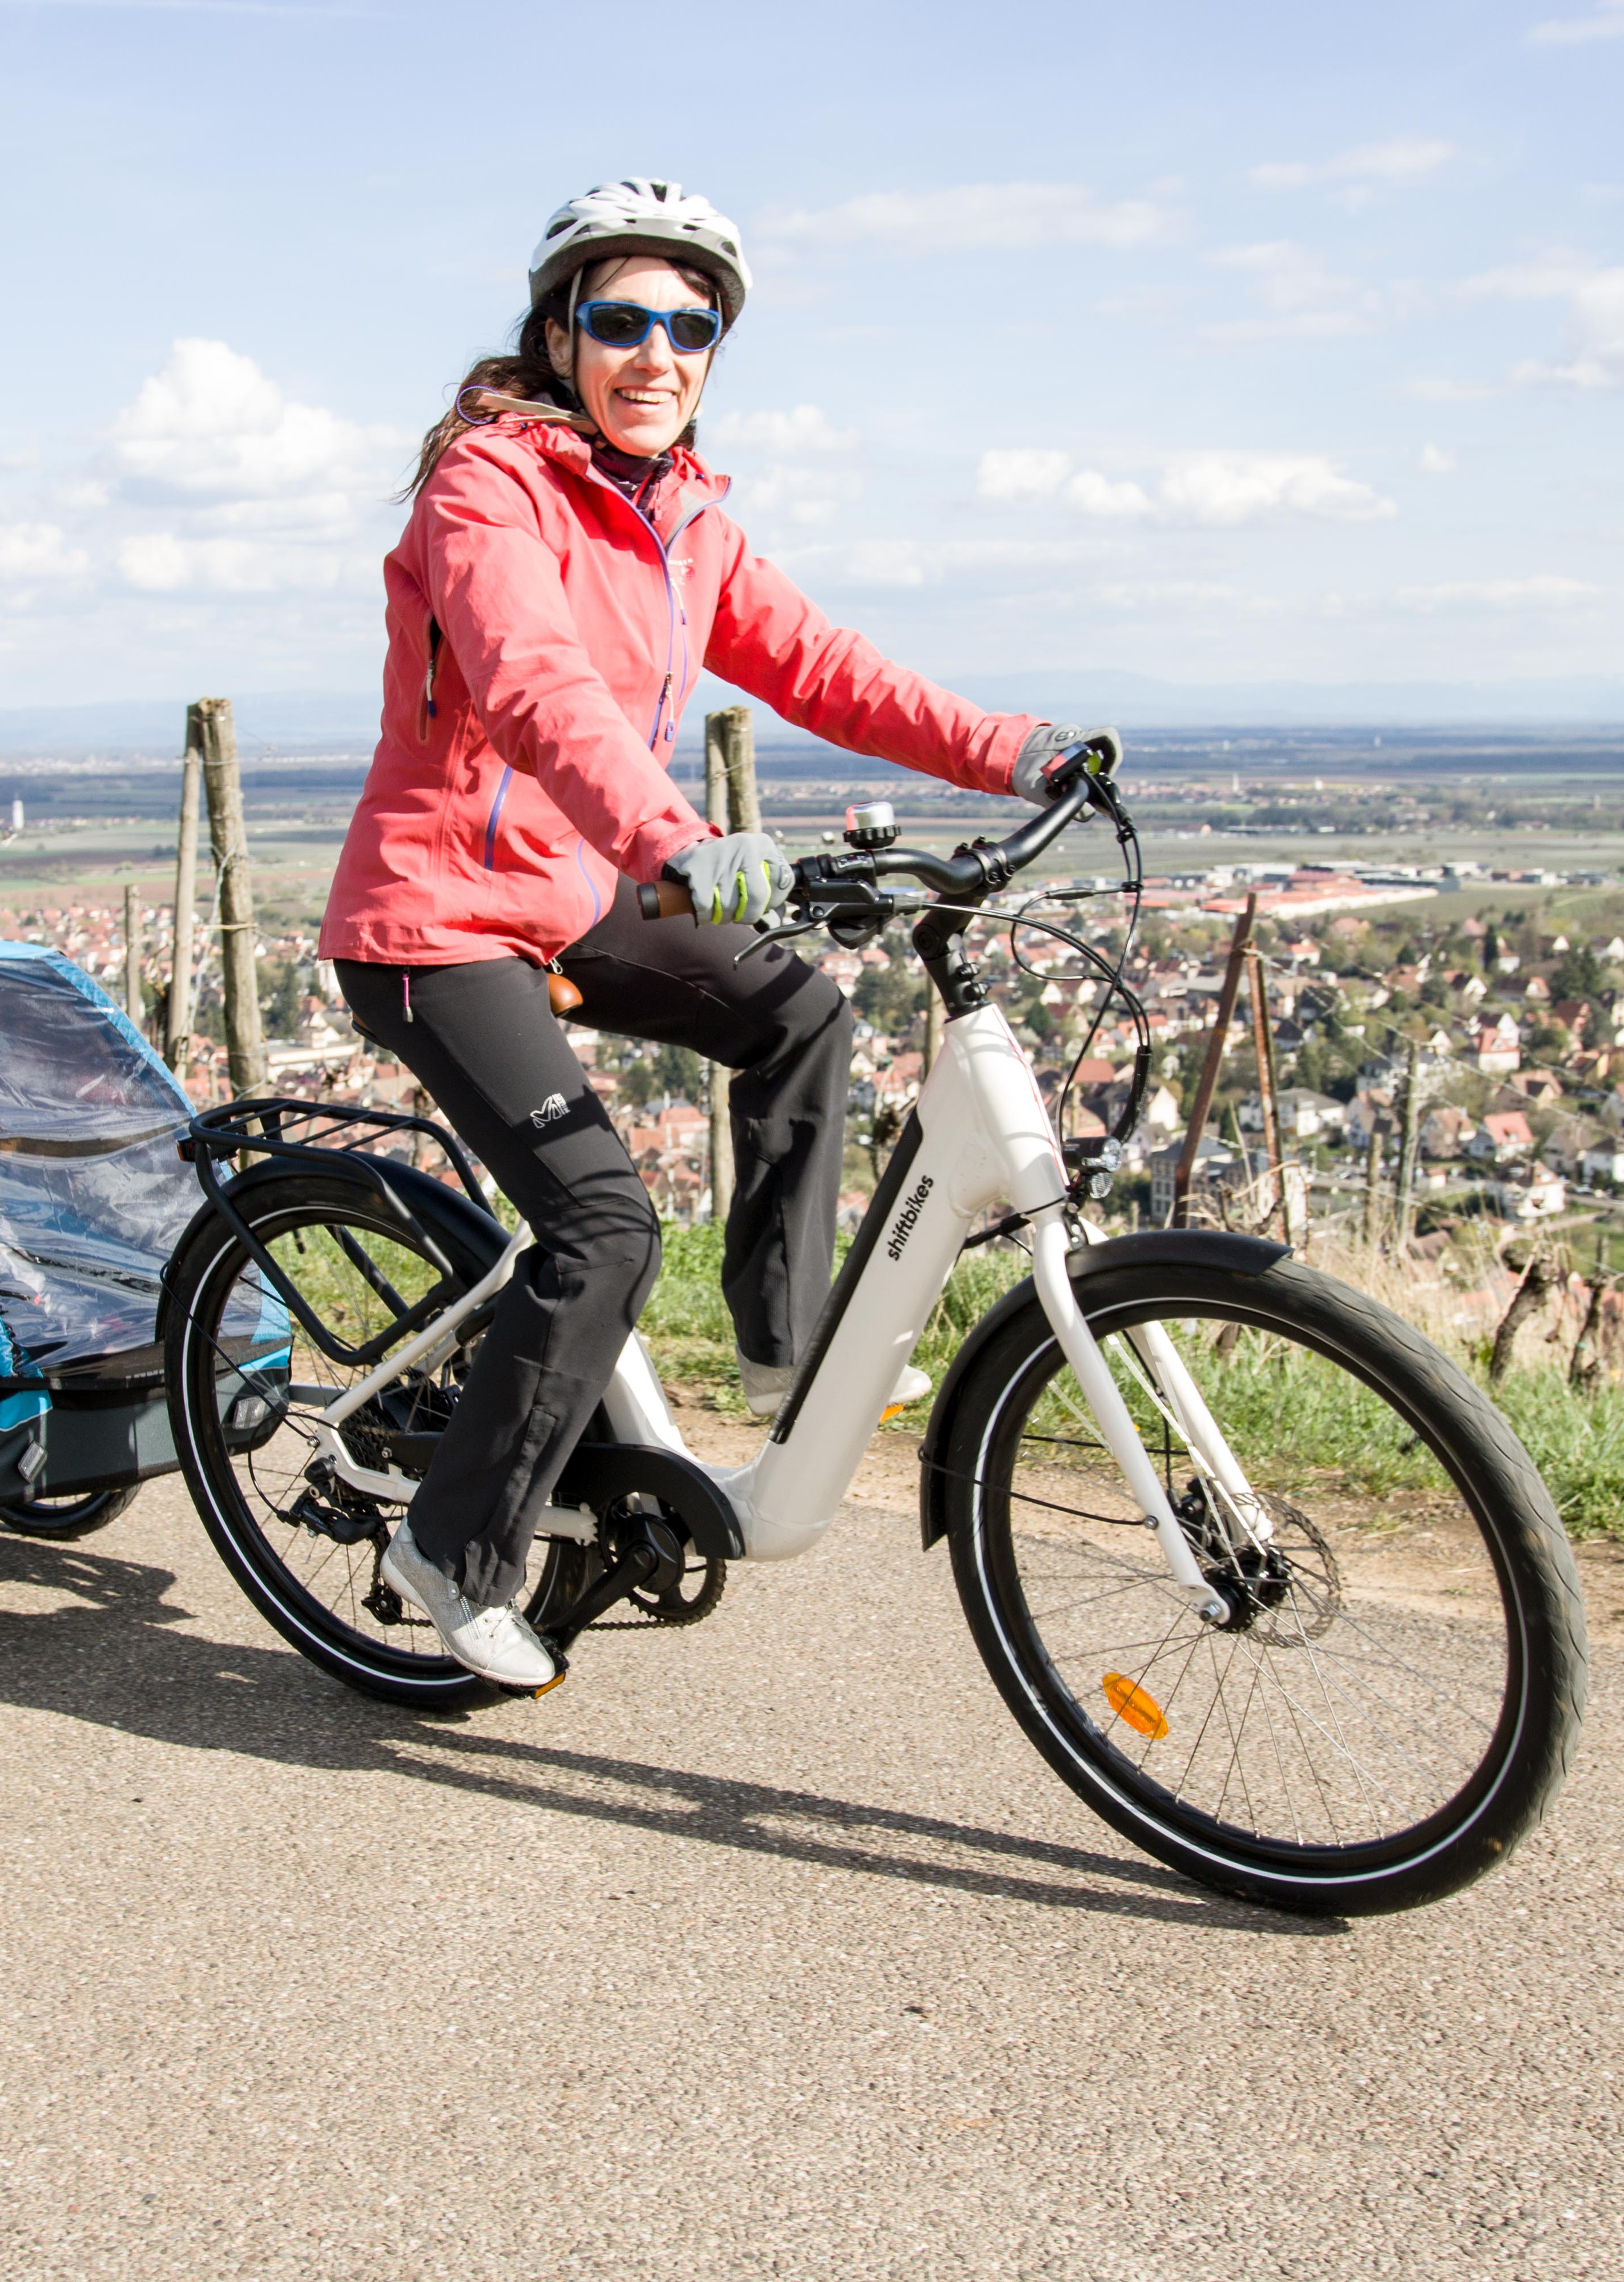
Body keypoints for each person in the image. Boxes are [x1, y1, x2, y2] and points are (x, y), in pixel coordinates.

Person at [316, 178, 1111, 1688]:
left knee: (798, 1014)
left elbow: (829, 670)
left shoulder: (684, 520)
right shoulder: (488, 487)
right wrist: (677, 841)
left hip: (578, 886)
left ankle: (784, 1350)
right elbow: (536, 688)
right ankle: (453, 1547)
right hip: (435, 915)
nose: (657, 355)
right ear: (560, 337)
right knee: (604, 1228)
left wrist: (1018, 752)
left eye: (690, 331)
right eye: (621, 321)